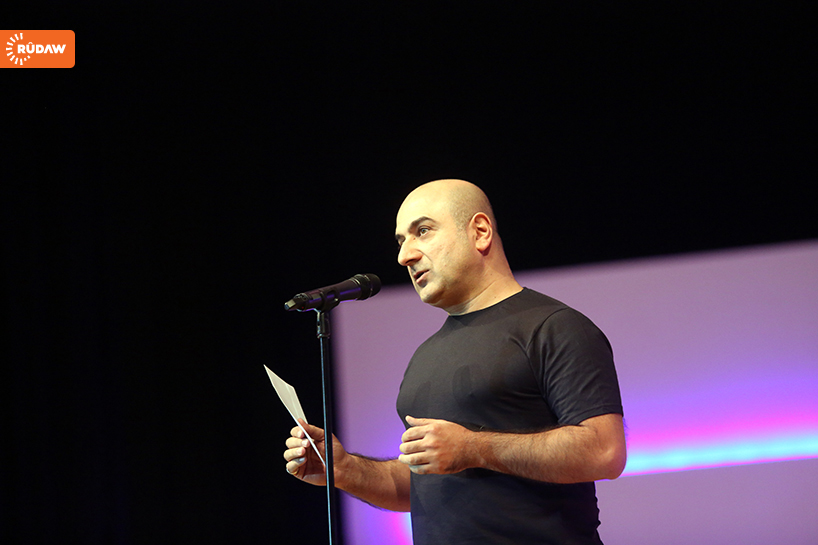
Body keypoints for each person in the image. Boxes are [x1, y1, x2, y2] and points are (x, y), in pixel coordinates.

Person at [283, 179, 626, 544]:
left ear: (480, 232)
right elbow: (422, 486)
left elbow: (604, 451)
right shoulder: (426, 355)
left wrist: (472, 448)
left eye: (423, 231)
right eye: (400, 241)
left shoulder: (554, 327)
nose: (404, 256)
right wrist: (345, 469)